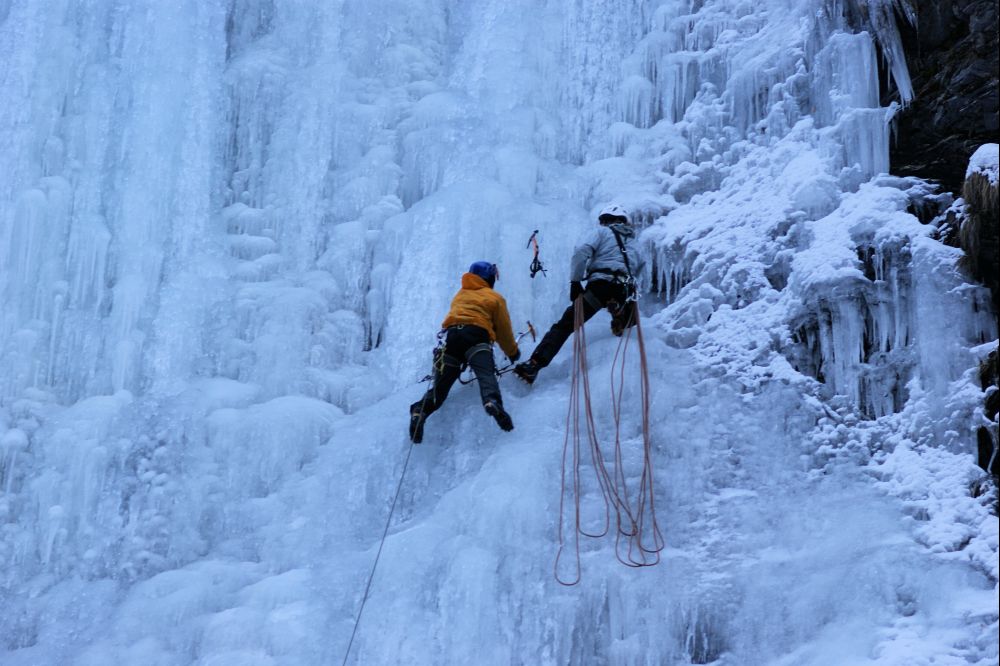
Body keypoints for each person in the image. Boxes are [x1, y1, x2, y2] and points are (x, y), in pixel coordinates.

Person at [514, 204, 643, 385]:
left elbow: (581, 251)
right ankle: (621, 313)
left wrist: (575, 282)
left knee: (564, 326)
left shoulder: (601, 233)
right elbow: (638, 271)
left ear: (606, 220)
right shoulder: (636, 244)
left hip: (600, 286)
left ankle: (534, 365)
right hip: (624, 289)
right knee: (629, 317)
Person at [409, 261, 520, 443]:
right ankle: (492, 402)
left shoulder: (460, 295)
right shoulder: (494, 298)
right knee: (486, 375)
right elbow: (503, 330)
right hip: (476, 336)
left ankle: (420, 410)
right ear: (490, 278)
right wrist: (512, 352)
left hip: (451, 338)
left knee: (440, 389)